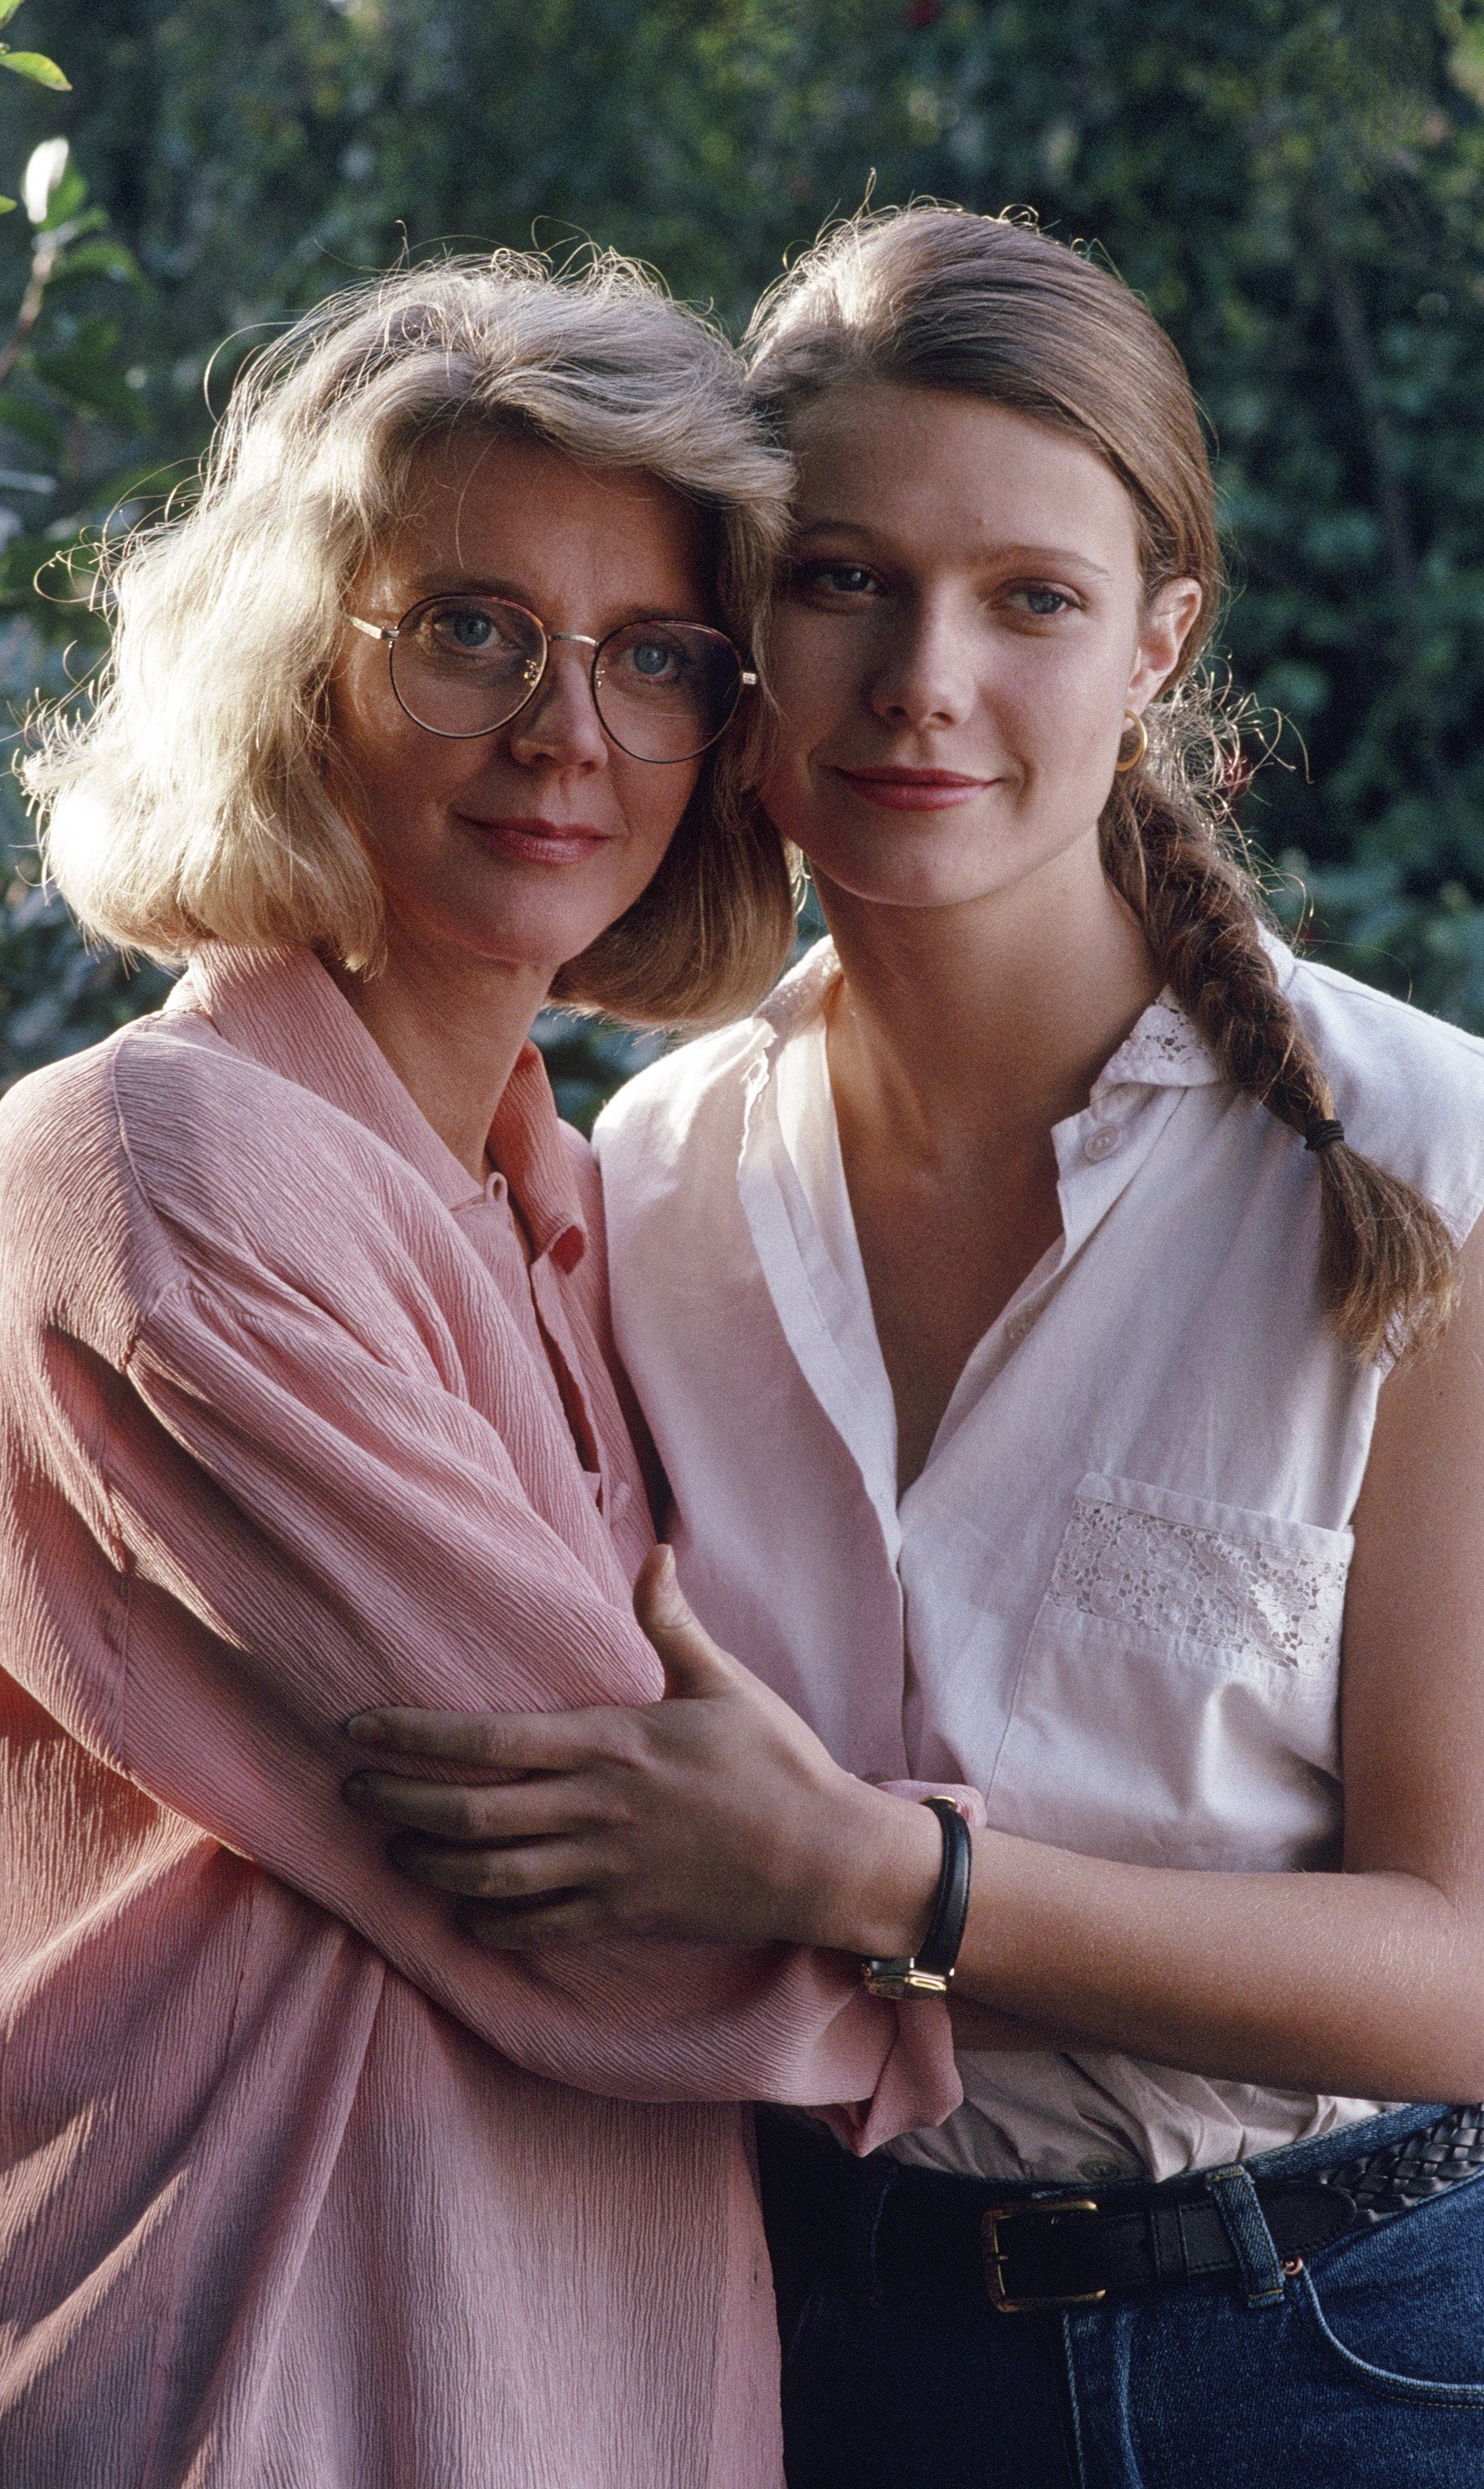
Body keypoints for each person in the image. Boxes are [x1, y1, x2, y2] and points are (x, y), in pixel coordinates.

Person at [346, 210, 1484, 2486]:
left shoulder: (1433, 1162)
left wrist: (867, 1882)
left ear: (1160, 640)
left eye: (1029, 596)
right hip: (810, 2343)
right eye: (840, 579)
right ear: (738, 634)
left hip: (1346, 2360)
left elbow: (1449, 1981)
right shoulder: (643, 1187)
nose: (922, 679)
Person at [0, 251, 973, 2489]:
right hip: (268, 2369)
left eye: (656, 662)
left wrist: (851, 1863)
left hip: (609, 2381)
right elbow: (636, 1916)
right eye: (472, 633)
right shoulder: (162, 1185)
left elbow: (751, 1837)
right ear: (290, 669)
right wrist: (1289, 1956)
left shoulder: (571, 1202)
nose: (572, 735)